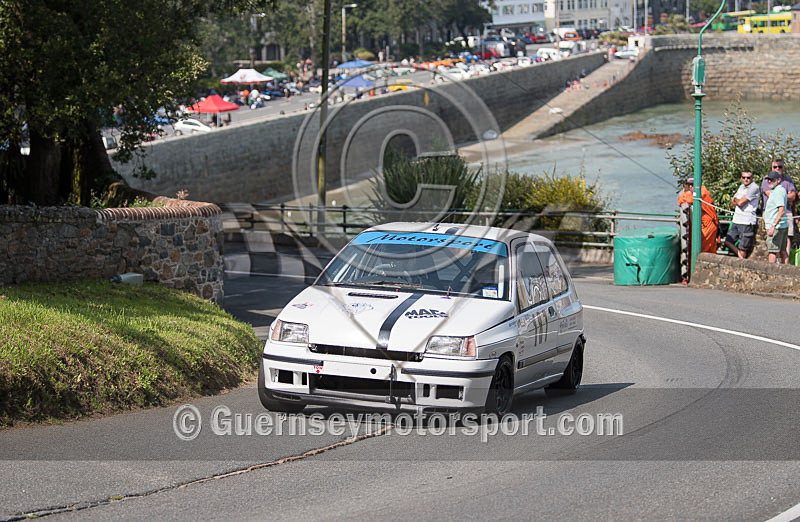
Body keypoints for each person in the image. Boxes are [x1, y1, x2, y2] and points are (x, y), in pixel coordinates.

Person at [760, 158, 796, 254]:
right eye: (775, 167)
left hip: (786, 214)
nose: (777, 168)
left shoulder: (788, 180)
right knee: (772, 243)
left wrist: (782, 197)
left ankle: (785, 266)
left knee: (786, 240)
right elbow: (769, 194)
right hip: (772, 214)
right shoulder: (767, 180)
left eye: (779, 166)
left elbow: (793, 196)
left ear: (783, 168)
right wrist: (785, 197)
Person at [724, 169, 760, 258]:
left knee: (743, 248)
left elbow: (740, 203)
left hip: (747, 221)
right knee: (727, 241)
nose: (746, 179)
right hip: (737, 220)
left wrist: (737, 200)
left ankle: (742, 260)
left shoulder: (754, 188)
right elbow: (732, 203)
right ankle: (741, 257)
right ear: (741, 178)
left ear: (752, 178)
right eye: (744, 177)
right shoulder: (741, 187)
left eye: (748, 178)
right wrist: (738, 201)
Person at [677, 179, 719, 253]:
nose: (690, 187)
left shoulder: (702, 191)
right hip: (705, 223)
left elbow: (685, 199)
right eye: (689, 185)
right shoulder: (697, 192)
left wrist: (684, 195)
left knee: (704, 248)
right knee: (708, 248)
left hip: (708, 224)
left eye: (692, 184)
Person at [763, 170, 790, 264]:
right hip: (781, 225)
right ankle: (787, 272)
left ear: (778, 180)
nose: (769, 181)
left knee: (772, 251)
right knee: (782, 250)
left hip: (776, 227)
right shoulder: (779, 190)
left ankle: (771, 275)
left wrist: (773, 226)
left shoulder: (778, 192)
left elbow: (781, 210)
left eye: (772, 179)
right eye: (768, 180)